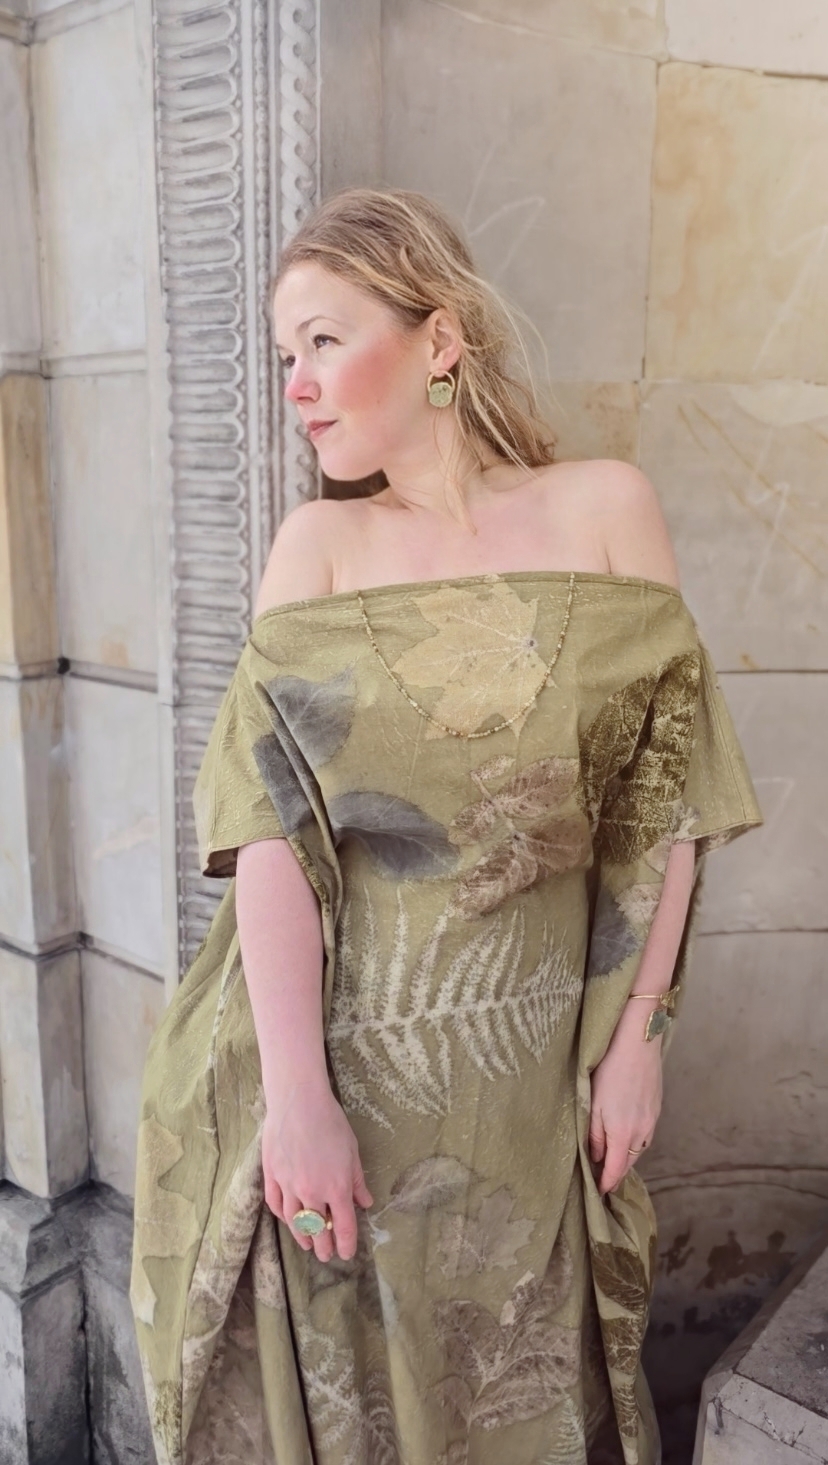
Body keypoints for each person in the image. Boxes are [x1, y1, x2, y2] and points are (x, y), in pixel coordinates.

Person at [131, 188, 762, 1465]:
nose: (297, 385)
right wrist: (297, 1100)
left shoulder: (606, 508)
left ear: (440, 337)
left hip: (535, 1084)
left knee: (522, 1402)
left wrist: (641, 1041)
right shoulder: (317, 546)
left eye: (323, 340)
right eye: (285, 353)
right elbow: (272, 838)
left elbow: (670, 797)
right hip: (346, 1090)